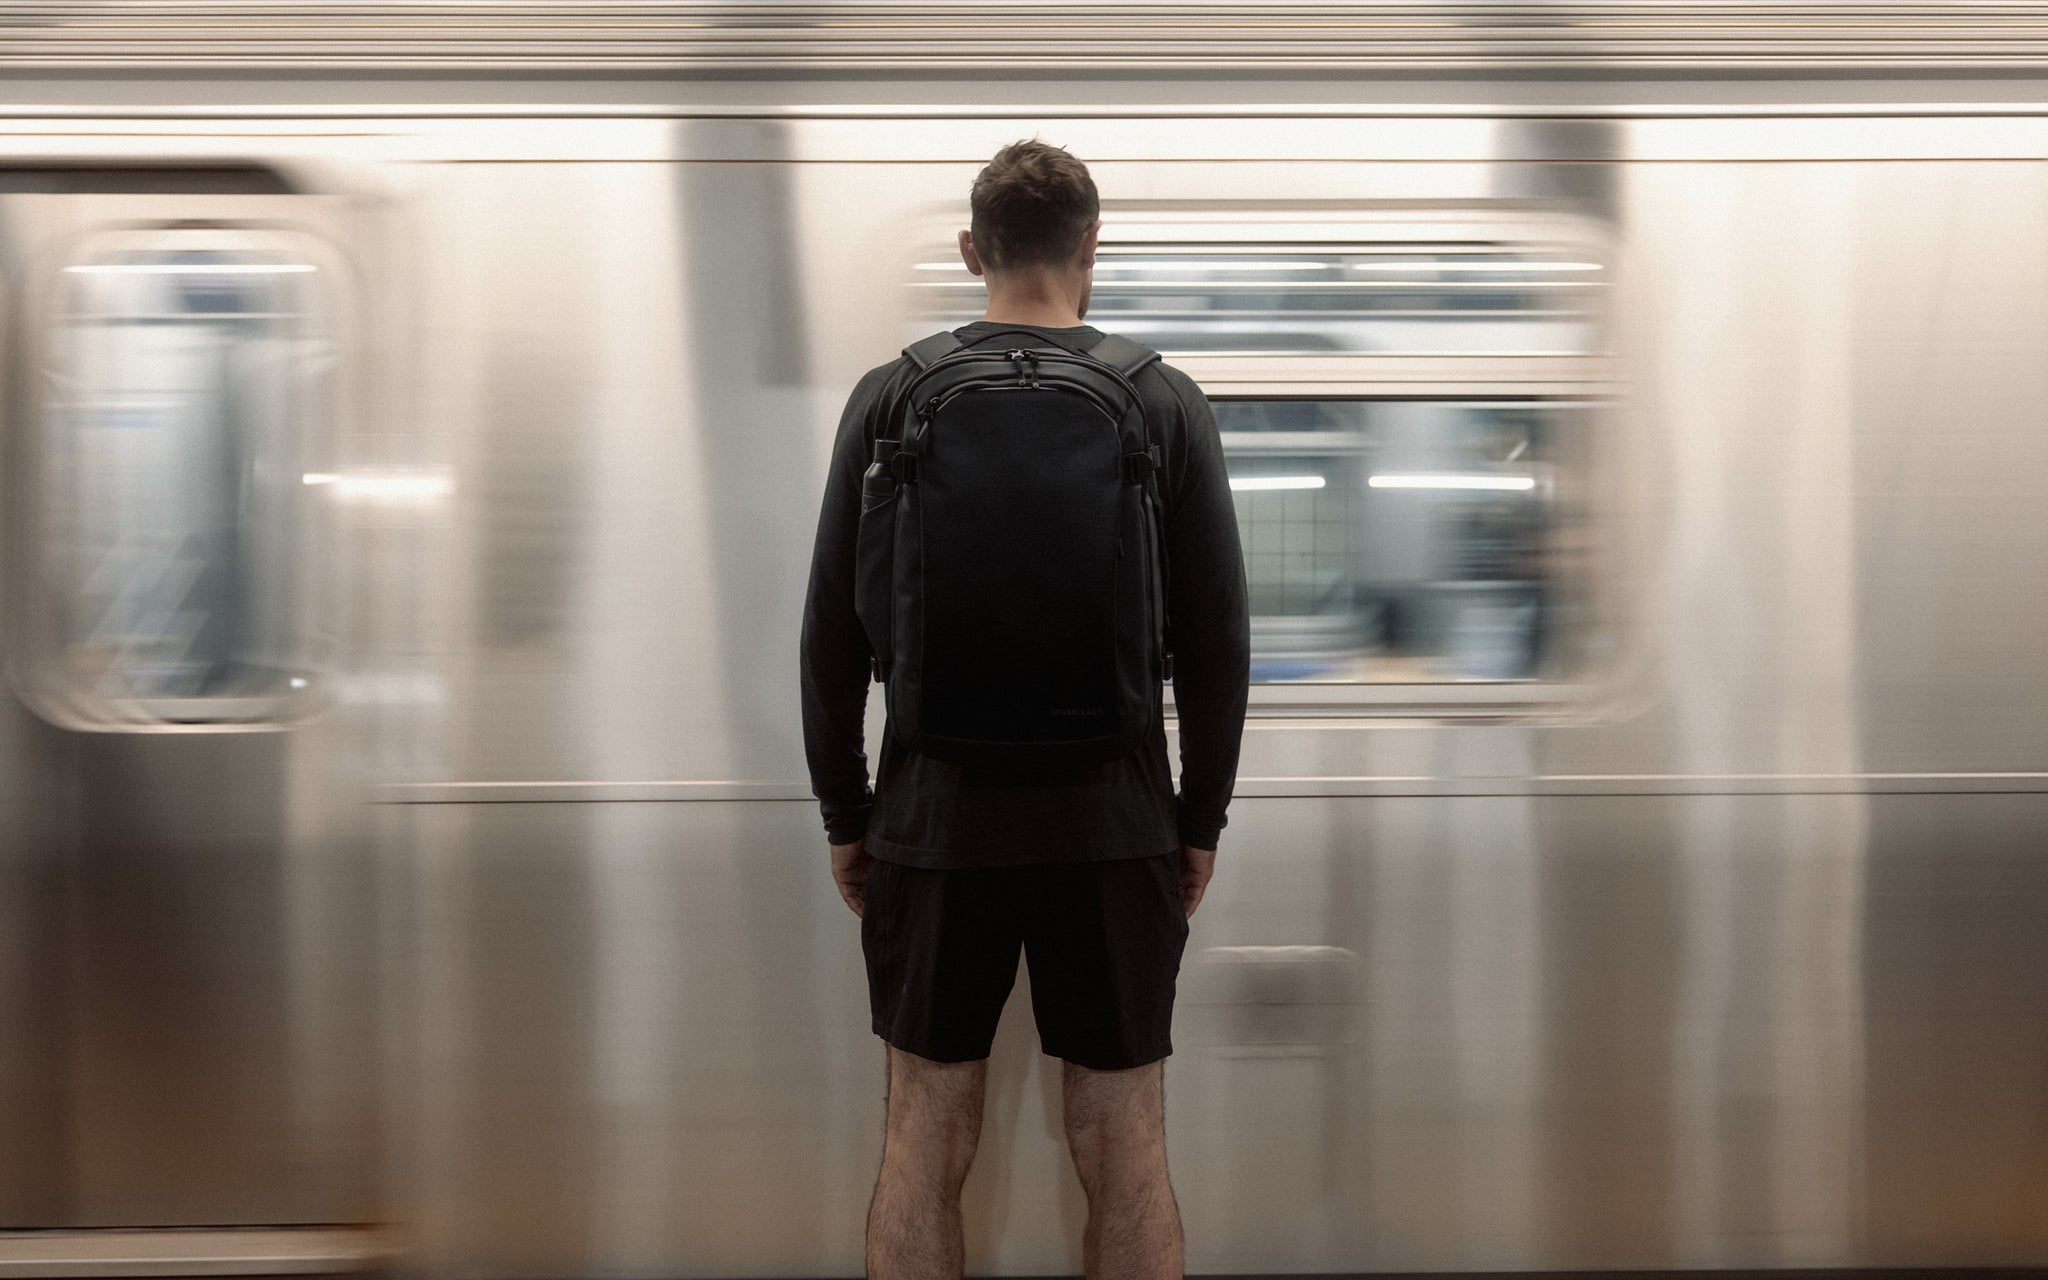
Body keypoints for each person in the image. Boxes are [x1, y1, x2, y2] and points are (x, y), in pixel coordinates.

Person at [800, 138, 1250, 1279]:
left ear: (970, 251)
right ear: (1091, 250)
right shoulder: (1163, 402)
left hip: (934, 825)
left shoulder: (889, 395)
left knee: (924, 1133)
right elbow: (1216, 645)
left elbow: (828, 636)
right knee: (1119, 1139)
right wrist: (1196, 822)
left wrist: (847, 818)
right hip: (1113, 829)